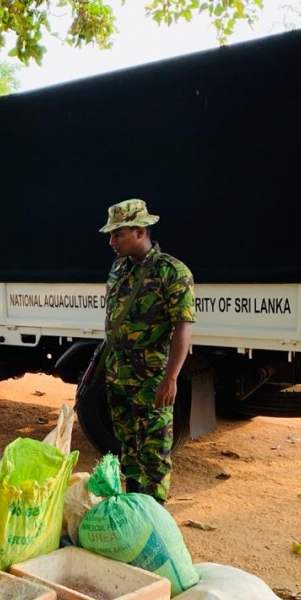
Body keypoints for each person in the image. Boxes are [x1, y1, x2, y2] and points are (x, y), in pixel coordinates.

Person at [99, 199, 195, 503]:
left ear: (140, 232)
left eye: (118, 234)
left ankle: (155, 516)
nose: (112, 242)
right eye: (111, 235)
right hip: (118, 377)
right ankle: (134, 505)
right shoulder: (117, 269)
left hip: (151, 379)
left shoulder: (172, 271)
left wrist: (171, 379)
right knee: (127, 447)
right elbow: (112, 319)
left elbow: (183, 327)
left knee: (154, 452)